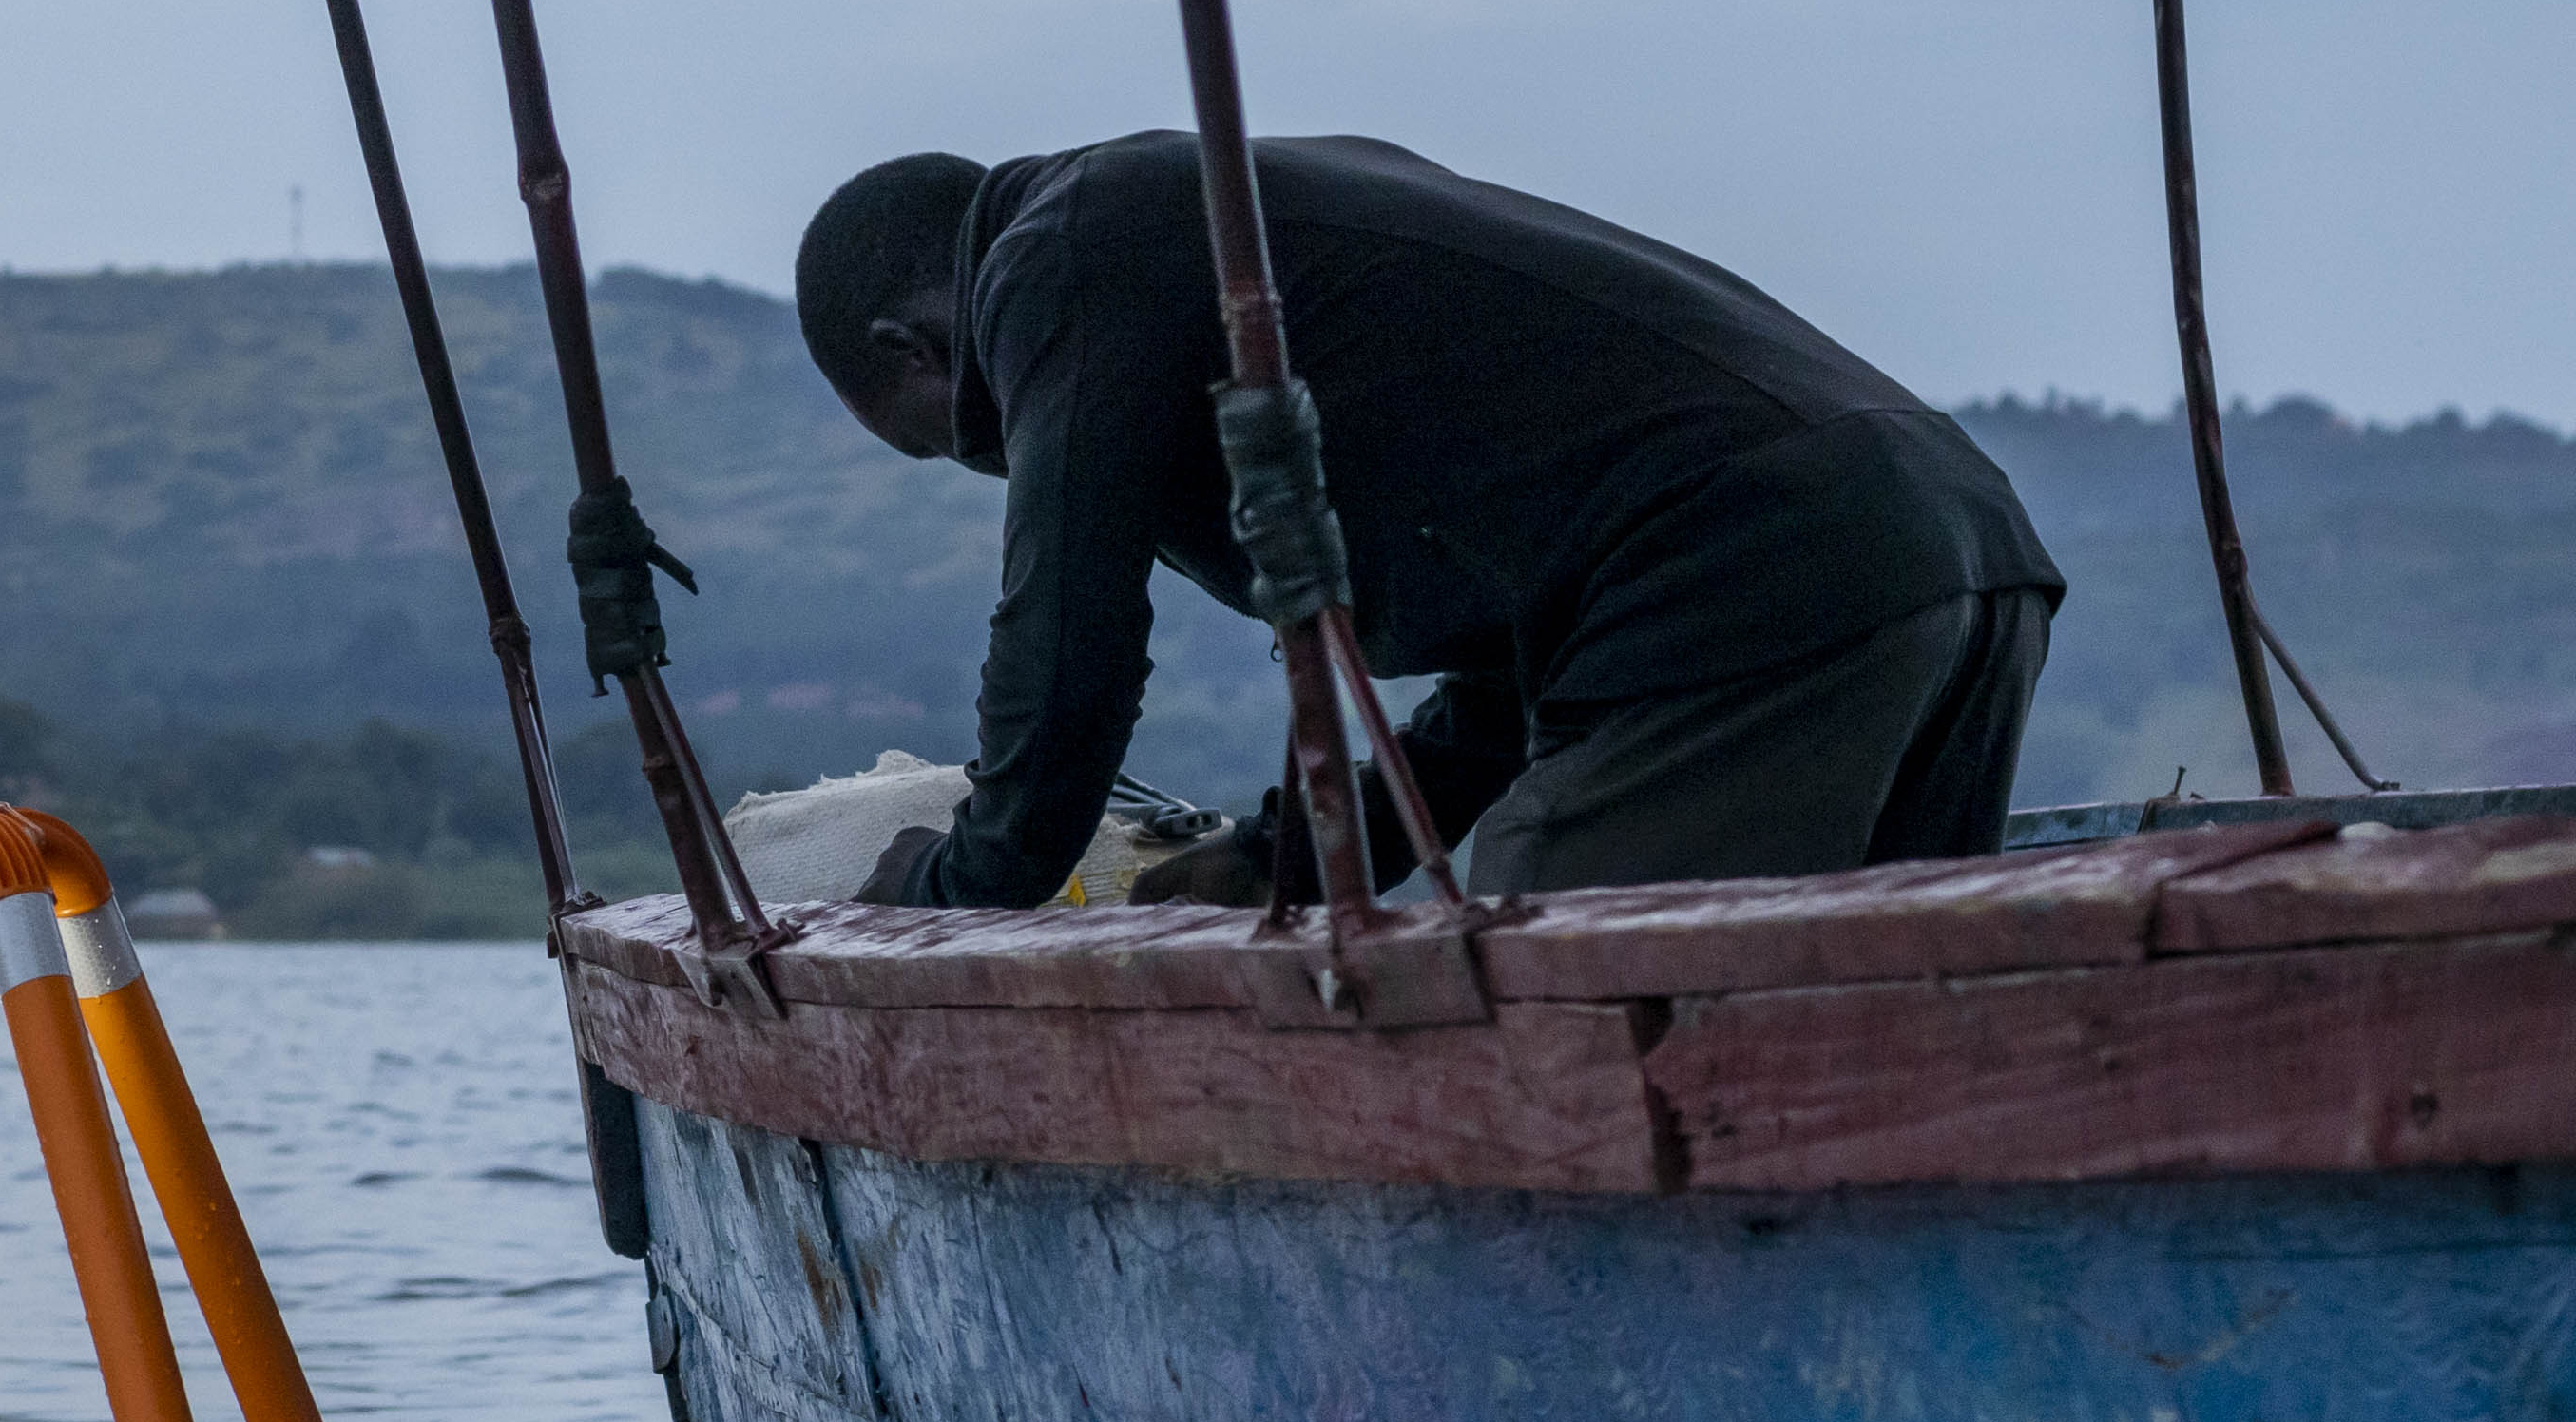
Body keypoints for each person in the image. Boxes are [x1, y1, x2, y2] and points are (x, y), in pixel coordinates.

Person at [796, 136, 2062, 907]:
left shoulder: (1060, 259)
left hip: (1761, 573)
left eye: (974, 443)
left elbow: (1067, 634)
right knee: (1882, 1033)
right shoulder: (1213, 211)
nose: (1010, 458)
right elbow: (1529, 669)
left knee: (1527, 1000)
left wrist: (962, 884)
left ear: (909, 347)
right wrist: (1288, 856)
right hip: (1953, 543)